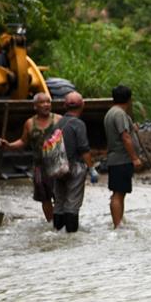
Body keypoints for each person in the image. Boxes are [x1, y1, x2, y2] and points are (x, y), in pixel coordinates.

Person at [0, 92, 59, 222]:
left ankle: (62, 220)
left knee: (60, 195)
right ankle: (52, 223)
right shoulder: (30, 123)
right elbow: (23, 141)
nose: (46, 105)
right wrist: (8, 145)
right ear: (35, 106)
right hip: (40, 166)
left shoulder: (59, 120)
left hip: (57, 164)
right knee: (45, 198)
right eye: (42, 102)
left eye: (48, 102)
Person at [52, 91, 96, 233]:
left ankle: (58, 231)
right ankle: (71, 236)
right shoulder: (79, 124)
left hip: (57, 167)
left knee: (59, 203)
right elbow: (84, 149)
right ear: (83, 105)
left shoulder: (58, 123)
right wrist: (91, 169)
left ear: (65, 105)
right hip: (74, 167)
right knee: (72, 204)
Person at [104, 85, 144, 228]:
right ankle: (118, 225)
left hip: (116, 159)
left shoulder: (111, 112)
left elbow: (126, 132)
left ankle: (119, 222)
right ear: (129, 99)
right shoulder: (119, 114)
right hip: (121, 159)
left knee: (119, 193)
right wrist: (135, 158)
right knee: (118, 193)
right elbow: (125, 137)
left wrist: (133, 128)